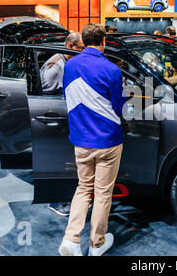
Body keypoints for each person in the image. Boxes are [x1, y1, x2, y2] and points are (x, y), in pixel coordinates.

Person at [59, 23, 126, 256]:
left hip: (80, 139)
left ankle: (71, 239)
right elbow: (119, 107)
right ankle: (97, 243)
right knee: (103, 192)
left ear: (84, 41)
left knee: (83, 188)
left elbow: (67, 94)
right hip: (108, 140)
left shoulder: (69, 65)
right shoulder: (112, 70)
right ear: (104, 41)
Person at [43, 33, 85, 217]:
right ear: (70, 45)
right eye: (80, 48)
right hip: (55, 117)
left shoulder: (65, 62)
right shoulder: (55, 67)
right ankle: (56, 200)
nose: (82, 51)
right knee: (60, 160)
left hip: (65, 116)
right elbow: (44, 93)